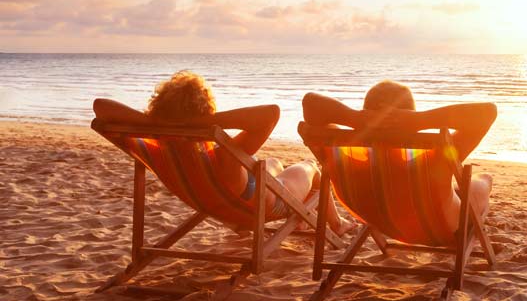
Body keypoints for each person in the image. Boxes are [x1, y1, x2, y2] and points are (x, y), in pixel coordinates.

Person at [92, 70, 352, 234]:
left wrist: (157, 124)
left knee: (271, 161)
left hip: (213, 201)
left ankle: (310, 215)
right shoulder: (222, 159)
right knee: (310, 167)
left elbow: (100, 107)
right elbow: (271, 113)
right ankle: (338, 224)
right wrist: (203, 122)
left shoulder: (151, 151)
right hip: (260, 208)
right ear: (205, 112)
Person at [302, 80, 496, 229]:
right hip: (441, 227)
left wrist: (355, 119)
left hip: (376, 220)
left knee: (454, 188)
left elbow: (311, 103)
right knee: (483, 179)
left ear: (365, 113)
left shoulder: (342, 157)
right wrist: (420, 121)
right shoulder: (434, 162)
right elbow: (488, 112)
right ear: (409, 118)